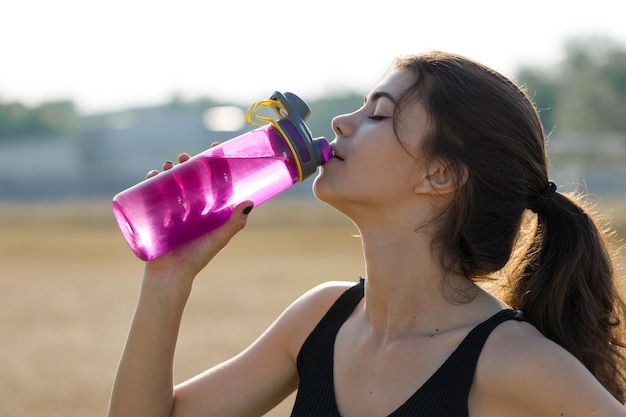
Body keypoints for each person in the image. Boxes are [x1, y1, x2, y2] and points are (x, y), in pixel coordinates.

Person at [107, 51, 626, 416]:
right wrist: (168, 278)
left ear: (438, 175)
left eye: (378, 113)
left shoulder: (514, 360)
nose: (339, 122)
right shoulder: (319, 320)